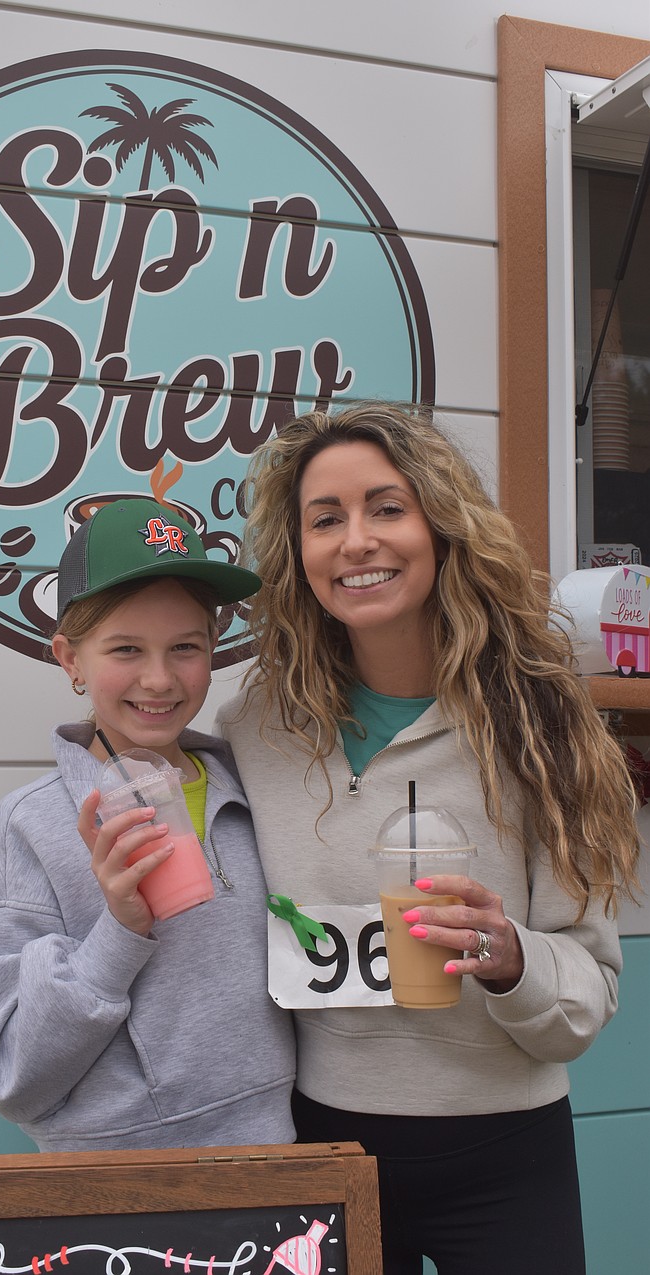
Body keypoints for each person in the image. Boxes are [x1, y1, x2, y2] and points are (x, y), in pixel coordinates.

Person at [216, 402, 641, 1274]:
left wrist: (511, 953)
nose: (357, 540)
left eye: (387, 507)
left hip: (505, 1151)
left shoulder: (543, 724)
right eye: (325, 519)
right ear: (298, 553)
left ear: (442, 528)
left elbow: (590, 985)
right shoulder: (257, 725)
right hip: (320, 1143)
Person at [0, 497, 295, 1152]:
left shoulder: (255, 791)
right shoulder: (31, 825)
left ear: (213, 648)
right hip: (121, 1192)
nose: (158, 679)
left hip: (278, 1163)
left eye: (184, 647)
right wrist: (120, 929)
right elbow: (12, 1074)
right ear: (70, 659)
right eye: (126, 648)